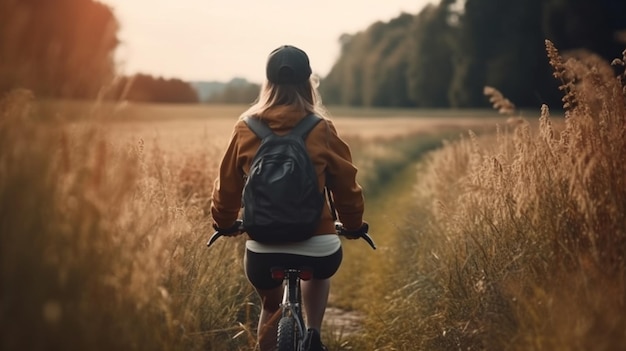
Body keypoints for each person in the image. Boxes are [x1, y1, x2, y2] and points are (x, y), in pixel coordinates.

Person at [210, 44, 367, 351]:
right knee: (319, 269)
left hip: (263, 248)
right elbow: (346, 185)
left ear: (267, 83)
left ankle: (278, 320)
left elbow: (227, 187)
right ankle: (313, 334)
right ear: (309, 82)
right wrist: (352, 224)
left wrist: (225, 222)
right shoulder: (321, 128)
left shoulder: (245, 128)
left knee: (270, 306)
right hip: (318, 243)